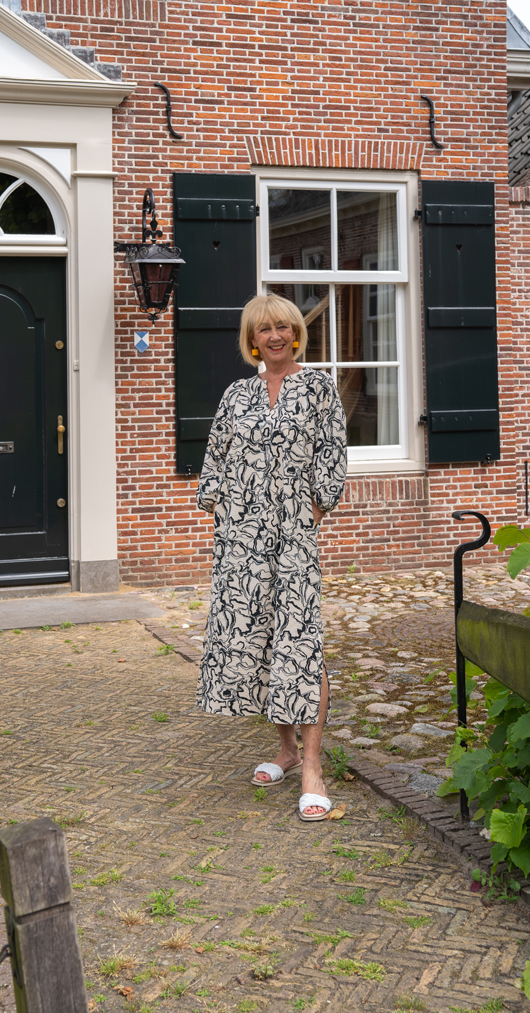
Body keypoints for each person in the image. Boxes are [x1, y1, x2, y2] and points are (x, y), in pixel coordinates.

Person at [195, 293, 347, 821]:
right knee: (256, 639)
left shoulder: (318, 387)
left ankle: (311, 765)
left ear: (296, 333)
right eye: (264, 329)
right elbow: (215, 455)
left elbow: (333, 453)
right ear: (251, 339)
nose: (276, 336)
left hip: (294, 533)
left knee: (300, 639)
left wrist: (317, 508)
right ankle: (284, 747)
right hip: (241, 535)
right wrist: (218, 508)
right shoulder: (236, 394)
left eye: (284, 326)